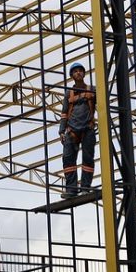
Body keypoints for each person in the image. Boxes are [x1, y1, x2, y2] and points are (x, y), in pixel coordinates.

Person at [56, 62, 96, 199]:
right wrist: (61, 131)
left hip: (87, 129)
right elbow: (64, 113)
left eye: (80, 70)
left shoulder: (92, 90)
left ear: (84, 73)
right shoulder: (69, 93)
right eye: (75, 71)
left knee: (87, 159)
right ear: (72, 75)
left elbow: (102, 104)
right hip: (72, 130)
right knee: (68, 159)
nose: (78, 73)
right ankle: (71, 189)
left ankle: (85, 187)